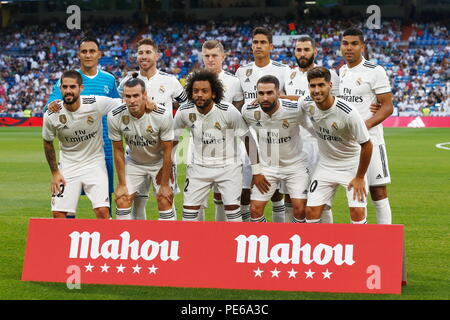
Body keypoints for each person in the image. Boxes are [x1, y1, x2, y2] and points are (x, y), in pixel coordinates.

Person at [46, 36, 120, 219]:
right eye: (84, 51)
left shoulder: (109, 80)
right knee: (68, 203)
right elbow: (52, 106)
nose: (88, 55)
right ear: (78, 55)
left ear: (99, 54)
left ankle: (105, 240)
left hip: (103, 147)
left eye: (92, 51)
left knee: (104, 200)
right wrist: (51, 105)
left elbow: (117, 108)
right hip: (74, 148)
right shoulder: (69, 80)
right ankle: (69, 241)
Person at [117, 37, 186, 220]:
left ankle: (172, 242)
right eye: (140, 53)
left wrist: (176, 135)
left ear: (157, 55)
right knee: (137, 200)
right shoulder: (127, 82)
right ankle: (136, 242)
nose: (144, 56)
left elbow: (186, 108)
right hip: (136, 151)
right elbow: (120, 108)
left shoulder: (170, 81)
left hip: (163, 153)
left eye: (148, 52)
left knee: (165, 198)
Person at [174, 70, 253, 222]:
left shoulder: (228, 110)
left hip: (228, 166)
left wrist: (258, 171)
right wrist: (167, 170)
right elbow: (172, 140)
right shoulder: (184, 111)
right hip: (199, 167)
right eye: (195, 91)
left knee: (232, 211)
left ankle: (233, 244)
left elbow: (248, 139)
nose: (199, 95)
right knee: (188, 214)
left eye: (204, 91)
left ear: (214, 94)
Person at [301, 67, 373, 224]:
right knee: (311, 211)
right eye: (312, 86)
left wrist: (360, 177)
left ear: (330, 85)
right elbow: (294, 102)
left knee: (357, 212)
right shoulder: (306, 103)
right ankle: (322, 247)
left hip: (351, 166)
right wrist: (277, 97)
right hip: (326, 166)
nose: (317, 90)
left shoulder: (348, 113)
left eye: (321, 85)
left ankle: (360, 247)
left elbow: (367, 144)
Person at [282, 35, 339, 224]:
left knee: (320, 201)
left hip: (318, 144)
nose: (302, 53)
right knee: (291, 199)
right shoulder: (287, 75)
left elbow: (337, 107)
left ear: (315, 51)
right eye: (299, 50)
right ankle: (292, 245)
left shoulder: (328, 75)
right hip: (292, 145)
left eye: (306, 49)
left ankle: (326, 242)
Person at [339, 28, 394, 224]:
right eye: (345, 43)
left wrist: (364, 125)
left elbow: (387, 107)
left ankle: (385, 243)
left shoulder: (375, 71)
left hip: (372, 140)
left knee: (378, 191)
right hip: (349, 144)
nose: (349, 48)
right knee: (356, 193)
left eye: (354, 44)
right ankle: (364, 241)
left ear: (362, 47)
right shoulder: (342, 71)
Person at [241, 75, 312, 222]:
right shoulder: (248, 110)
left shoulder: (294, 109)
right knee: (254, 210)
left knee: (300, 209)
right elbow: (247, 139)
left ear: (278, 93)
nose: (265, 98)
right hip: (268, 167)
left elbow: (310, 104)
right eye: (261, 94)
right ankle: (269, 241)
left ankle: (296, 243)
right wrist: (257, 171)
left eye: (269, 93)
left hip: (295, 166)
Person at [235, 26, 288, 223]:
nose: (258, 46)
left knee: (272, 189)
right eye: (255, 42)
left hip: (273, 134)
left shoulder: (282, 70)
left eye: (263, 42)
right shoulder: (242, 71)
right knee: (245, 187)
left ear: (271, 46)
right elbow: (239, 103)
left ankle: (278, 231)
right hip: (248, 136)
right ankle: (249, 232)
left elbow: (291, 100)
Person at [108, 74, 175, 220]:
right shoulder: (115, 116)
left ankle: (169, 240)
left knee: (165, 199)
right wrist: (121, 184)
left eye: (136, 95)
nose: (132, 101)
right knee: (122, 198)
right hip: (134, 162)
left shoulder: (162, 115)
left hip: (158, 162)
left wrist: (164, 184)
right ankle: (126, 241)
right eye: (128, 96)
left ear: (145, 95)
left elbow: (168, 150)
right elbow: (118, 150)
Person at [198, 40, 248, 221]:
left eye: (214, 56)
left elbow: (238, 115)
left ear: (223, 57)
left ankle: (221, 239)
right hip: (198, 148)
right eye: (207, 56)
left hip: (226, 149)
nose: (210, 60)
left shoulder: (234, 82)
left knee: (225, 197)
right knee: (197, 199)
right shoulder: (192, 80)